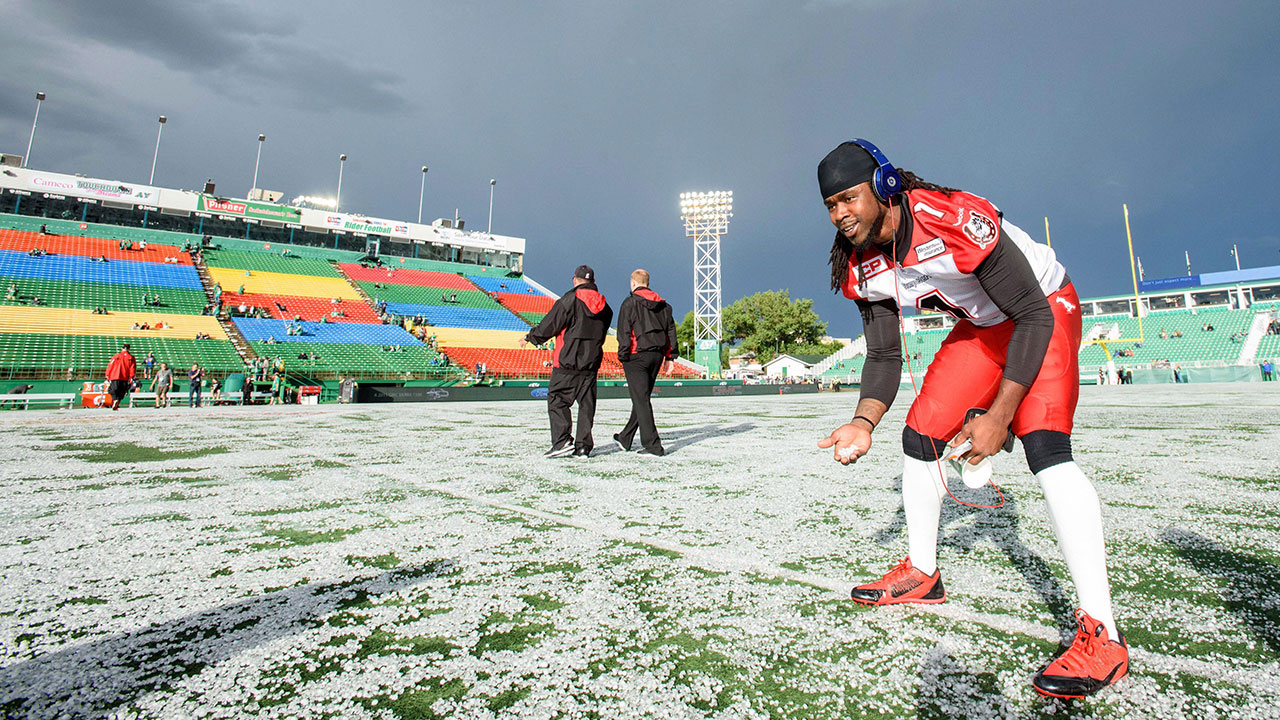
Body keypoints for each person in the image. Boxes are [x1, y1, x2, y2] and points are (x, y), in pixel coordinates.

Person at [812, 139, 1126, 699]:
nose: (840, 214)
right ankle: (924, 575)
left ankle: (1103, 633)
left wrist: (1001, 415)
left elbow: (1030, 313)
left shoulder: (950, 218)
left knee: (1045, 447)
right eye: (829, 204)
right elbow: (884, 356)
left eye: (848, 198)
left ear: (884, 187)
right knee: (920, 435)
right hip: (986, 324)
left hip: (1042, 308)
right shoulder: (859, 263)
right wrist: (862, 421)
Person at [521, 264, 613, 458]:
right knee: (587, 405)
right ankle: (583, 447)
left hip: (567, 361)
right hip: (591, 362)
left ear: (574, 279)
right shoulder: (606, 307)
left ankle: (562, 441)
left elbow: (549, 326)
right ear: (593, 282)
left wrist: (531, 337)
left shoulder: (568, 300)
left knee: (557, 399)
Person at [613, 268, 679, 456]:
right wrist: (670, 357)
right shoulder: (664, 306)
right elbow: (670, 331)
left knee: (641, 399)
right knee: (641, 398)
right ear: (648, 284)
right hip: (656, 356)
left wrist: (623, 355)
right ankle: (625, 437)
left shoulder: (629, 303)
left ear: (633, 283)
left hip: (636, 356)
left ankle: (653, 445)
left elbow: (624, 332)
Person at [105, 343, 136, 411]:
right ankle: (117, 401)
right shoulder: (131, 358)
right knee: (122, 391)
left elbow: (110, 365)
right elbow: (132, 368)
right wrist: (131, 377)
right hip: (125, 376)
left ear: (121, 349)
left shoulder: (116, 356)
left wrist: (107, 374)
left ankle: (115, 400)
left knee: (113, 390)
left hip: (115, 375)